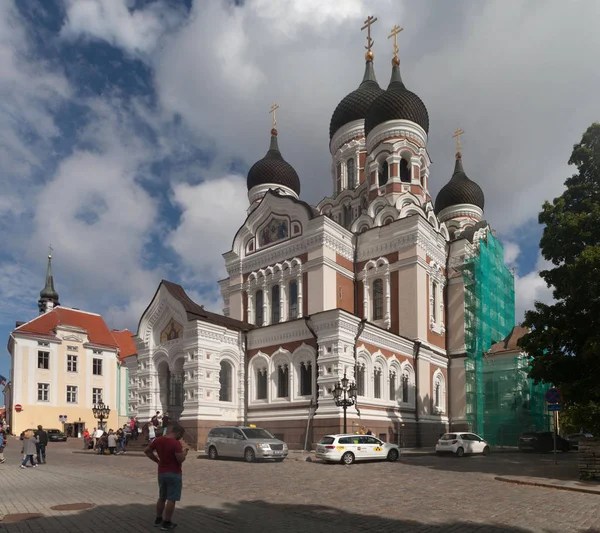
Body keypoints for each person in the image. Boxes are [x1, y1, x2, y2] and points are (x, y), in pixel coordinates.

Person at [145, 426, 188, 531]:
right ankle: (166, 522)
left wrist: (157, 461)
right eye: (181, 436)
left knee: (162, 497)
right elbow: (180, 459)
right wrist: (185, 453)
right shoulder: (175, 443)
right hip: (174, 473)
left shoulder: (158, 440)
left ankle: (158, 519)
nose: (180, 438)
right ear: (178, 433)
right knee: (171, 499)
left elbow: (147, 451)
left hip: (162, 472)